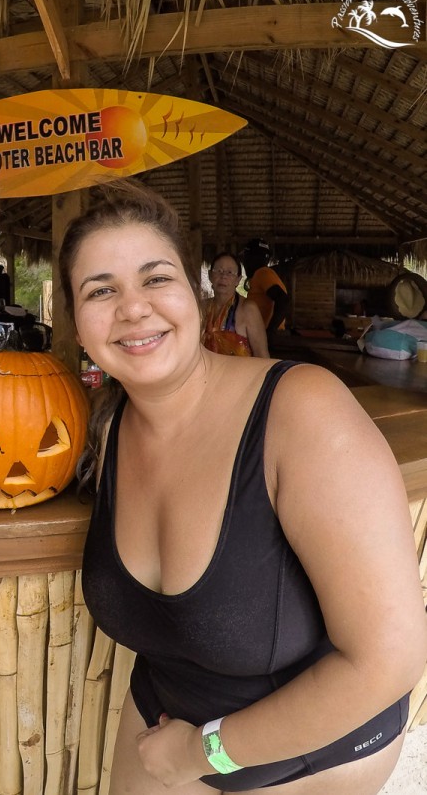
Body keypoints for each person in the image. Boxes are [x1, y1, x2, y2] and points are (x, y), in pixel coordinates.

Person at [57, 179, 426, 795]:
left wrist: (205, 755)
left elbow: (388, 660)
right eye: (101, 290)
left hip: (309, 748)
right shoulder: (109, 426)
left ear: (196, 294)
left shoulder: (300, 410)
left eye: (155, 278)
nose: (133, 307)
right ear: (71, 322)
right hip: (164, 723)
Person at [202, 252, 269, 357]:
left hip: (240, 373)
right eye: (218, 271)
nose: (223, 276)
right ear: (210, 275)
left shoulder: (248, 309)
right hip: (206, 373)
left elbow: (262, 355)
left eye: (229, 272)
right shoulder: (201, 308)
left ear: (238, 280)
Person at [240, 238, 289, 335]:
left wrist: (271, 330)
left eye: (246, 258)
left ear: (252, 258)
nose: (244, 262)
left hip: (267, 336)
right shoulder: (261, 276)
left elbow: (283, 299)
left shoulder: (262, 273)